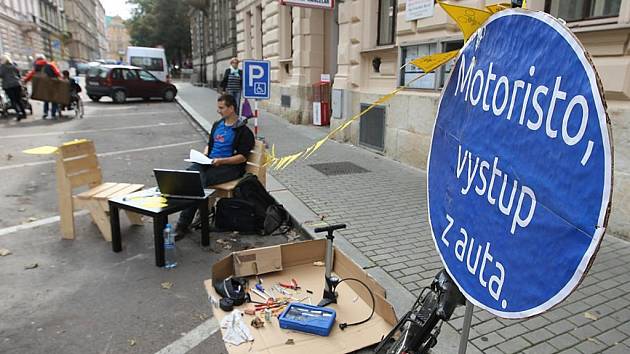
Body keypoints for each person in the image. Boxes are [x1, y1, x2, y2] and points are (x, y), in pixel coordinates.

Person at [174, 94, 255, 240]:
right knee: (190, 176)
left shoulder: (244, 131)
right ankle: (197, 216)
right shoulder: (217, 125)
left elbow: (242, 157)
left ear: (231, 108)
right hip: (210, 163)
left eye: (221, 108)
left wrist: (221, 161)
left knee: (196, 182)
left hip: (230, 168)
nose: (218, 111)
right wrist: (204, 155)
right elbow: (210, 145)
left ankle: (183, 223)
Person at [23, 54, 61, 119]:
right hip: (52, 84)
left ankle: (45, 113)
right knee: (54, 99)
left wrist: (25, 81)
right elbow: (57, 73)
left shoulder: (36, 67)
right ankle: (53, 114)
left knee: (46, 99)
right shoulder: (50, 65)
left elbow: (30, 75)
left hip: (43, 86)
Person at [0, 54, 27, 121]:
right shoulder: (13, 66)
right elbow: (19, 74)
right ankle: (24, 113)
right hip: (17, 84)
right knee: (19, 99)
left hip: (8, 85)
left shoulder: (2, 67)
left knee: (13, 100)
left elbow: (1, 75)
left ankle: (18, 112)